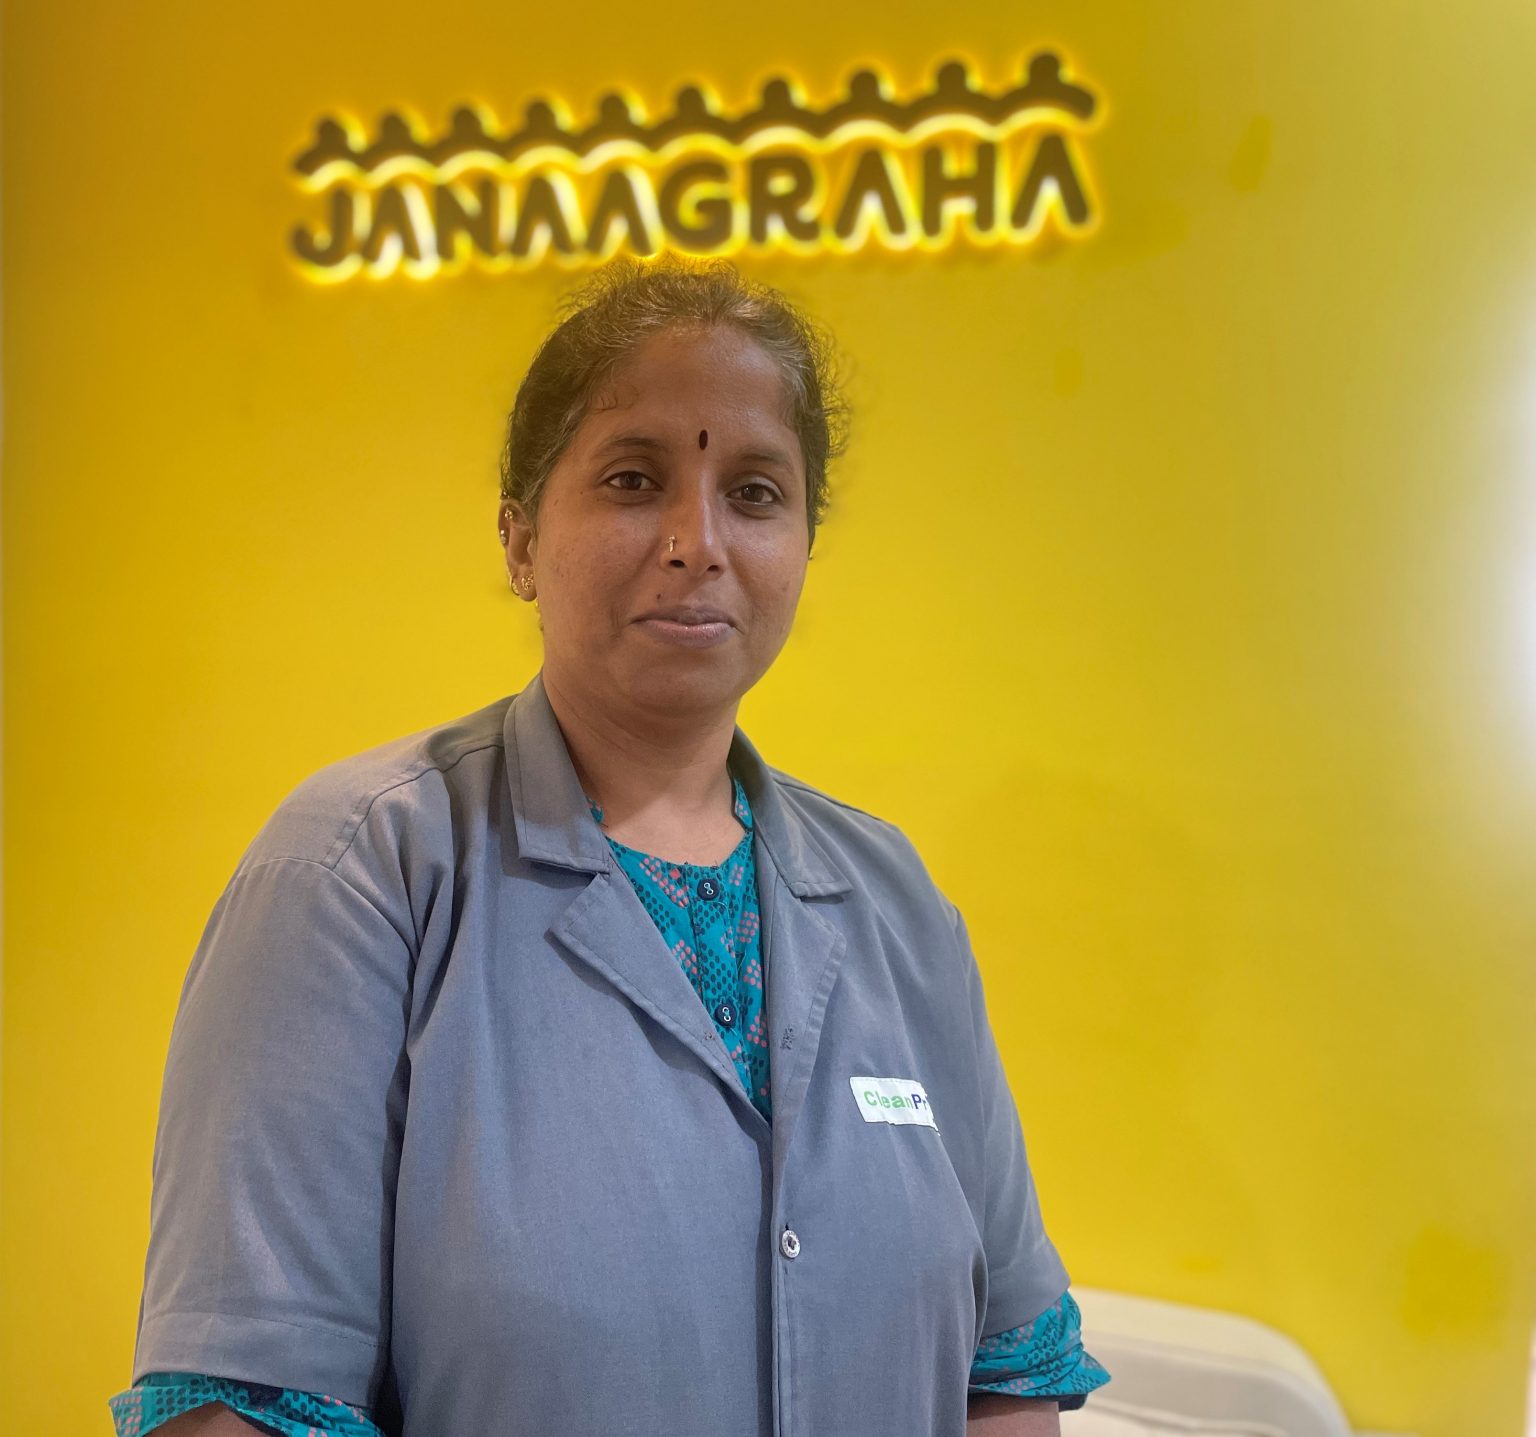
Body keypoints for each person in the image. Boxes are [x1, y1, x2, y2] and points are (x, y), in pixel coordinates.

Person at [109, 255, 1111, 1437]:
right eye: (635, 480)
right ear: (520, 538)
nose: (698, 542)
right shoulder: (358, 874)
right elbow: (238, 1408)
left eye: (754, 492)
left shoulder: (895, 903)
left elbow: (1009, 1373)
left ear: (801, 542)